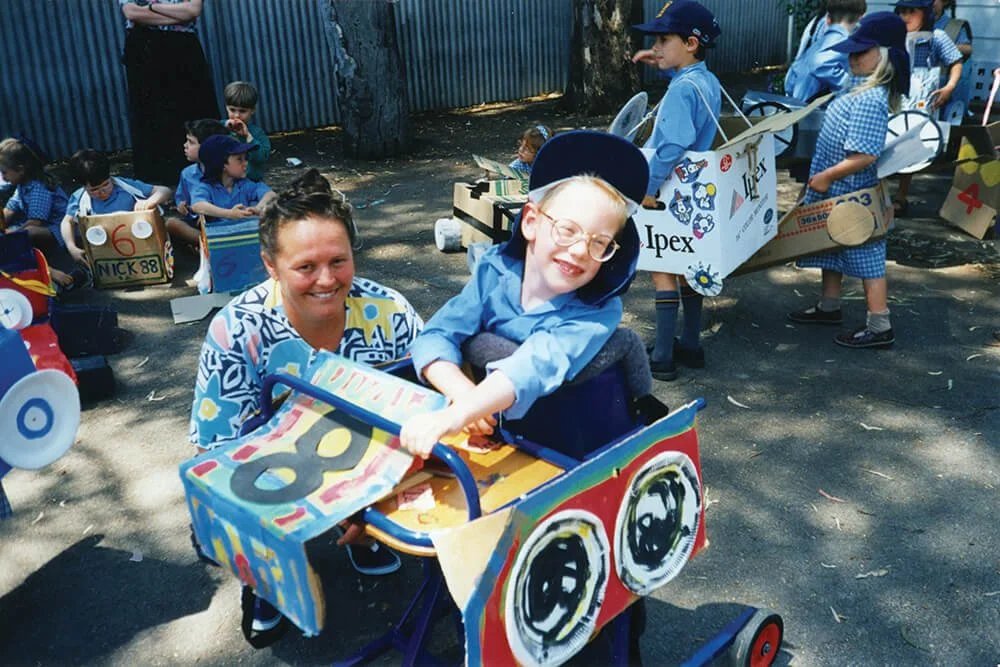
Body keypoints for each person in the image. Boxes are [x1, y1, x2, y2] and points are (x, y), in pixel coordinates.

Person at [189, 173, 424, 636]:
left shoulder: (391, 312)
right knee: (216, 517)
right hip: (273, 475)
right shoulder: (237, 331)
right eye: (305, 267)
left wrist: (377, 498)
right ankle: (264, 578)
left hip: (373, 463)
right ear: (270, 266)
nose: (326, 279)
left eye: (339, 261)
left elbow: (428, 406)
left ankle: (363, 532)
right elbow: (215, 450)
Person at [399, 130, 647, 458]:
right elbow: (435, 336)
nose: (578, 251)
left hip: (562, 443)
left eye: (599, 242)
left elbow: (532, 365)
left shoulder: (596, 311)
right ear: (531, 222)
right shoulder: (493, 272)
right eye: (567, 230)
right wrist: (462, 396)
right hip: (495, 433)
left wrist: (458, 414)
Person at [788, 12, 911, 349]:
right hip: (834, 184)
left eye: (861, 52)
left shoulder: (871, 99)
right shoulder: (855, 85)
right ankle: (830, 306)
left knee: (865, 253)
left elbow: (865, 155)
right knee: (830, 244)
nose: (852, 57)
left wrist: (827, 176)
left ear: (884, 55)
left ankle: (879, 322)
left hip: (851, 190)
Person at [629, 0, 721, 381]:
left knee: (662, 268)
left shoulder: (683, 90)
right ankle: (690, 344)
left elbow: (673, 142)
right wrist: (663, 64)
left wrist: (646, 186)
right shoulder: (704, 80)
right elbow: (688, 95)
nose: (657, 47)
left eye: (664, 40)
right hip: (694, 190)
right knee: (688, 267)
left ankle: (663, 357)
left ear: (691, 44)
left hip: (669, 187)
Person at [119, 0, 218, 185]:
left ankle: (204, 179)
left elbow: (192, 10)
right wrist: (176, 16)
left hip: (182, 48)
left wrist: (151, 7)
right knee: (151, 118)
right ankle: (161, 186)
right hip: (144, 49)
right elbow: (131, 12)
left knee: (193, 110)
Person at [891, 0, 963, 216]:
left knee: (911, 147)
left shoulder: (937, 37)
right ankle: (879, 194)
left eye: (911, 11)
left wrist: (949, 87)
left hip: (922, 101)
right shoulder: (893, 35)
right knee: (887, 142)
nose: (906, 17)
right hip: (894, 97)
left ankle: (901, 196)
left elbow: (956, 62)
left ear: (925, 13)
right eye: (902, 11)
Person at [60, 150, 173, 270]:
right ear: (83, 186)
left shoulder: (126, 187)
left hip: (140, 246)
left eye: (106, 185)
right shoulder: (80, 198)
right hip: (106, 254)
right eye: (94, 190)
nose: (102, 192)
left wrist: (149, 202)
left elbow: (164, 191)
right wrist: (71, 247)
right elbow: (67, 222)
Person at [0, 137, 72, 287]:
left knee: (28, 231)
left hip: (57, 229)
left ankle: (42, 266)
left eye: (4, 172)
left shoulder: (39, 187)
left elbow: (36, 221)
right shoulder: (21, 186)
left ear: (20, 169)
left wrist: (11, 235)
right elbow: (9, 209)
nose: (3, 177)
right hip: (41, 226)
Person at [784, 0, 867, 103]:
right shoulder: (843, 41)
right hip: (813, 109)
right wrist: (852, 83)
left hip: (798, 104)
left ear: (829, 18)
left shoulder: (821, 42)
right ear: (861, 17)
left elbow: (791, 76)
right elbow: (819, 64)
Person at [165, 119, 228, 249]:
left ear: (208, 148)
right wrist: (182, 205)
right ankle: (209, 244)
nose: (185, 145)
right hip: (199, 225)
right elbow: (182, 199)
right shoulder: (187, 174)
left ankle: (208, 246)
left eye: (191, 142)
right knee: (171, 224)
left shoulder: (227, 172)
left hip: (224, 222)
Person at [189, 135, 276, 223]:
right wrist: (230, 214)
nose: (245, 163)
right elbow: (197, 206)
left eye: (245, 158)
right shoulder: (205, 187)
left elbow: (270, 194)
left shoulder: (244, 184)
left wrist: (258, 209)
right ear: (222, 164)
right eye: (239, 159)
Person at [223, 81, 271, 183]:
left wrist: (249, 138)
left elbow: (261, 159)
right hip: (227, 183)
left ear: (252, 110)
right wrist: (223, 128)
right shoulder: (220, 128)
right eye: (232, 110)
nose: (236, 115)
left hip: (251, 182)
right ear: (226, 107)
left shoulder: (257, 134)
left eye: (242, 111)